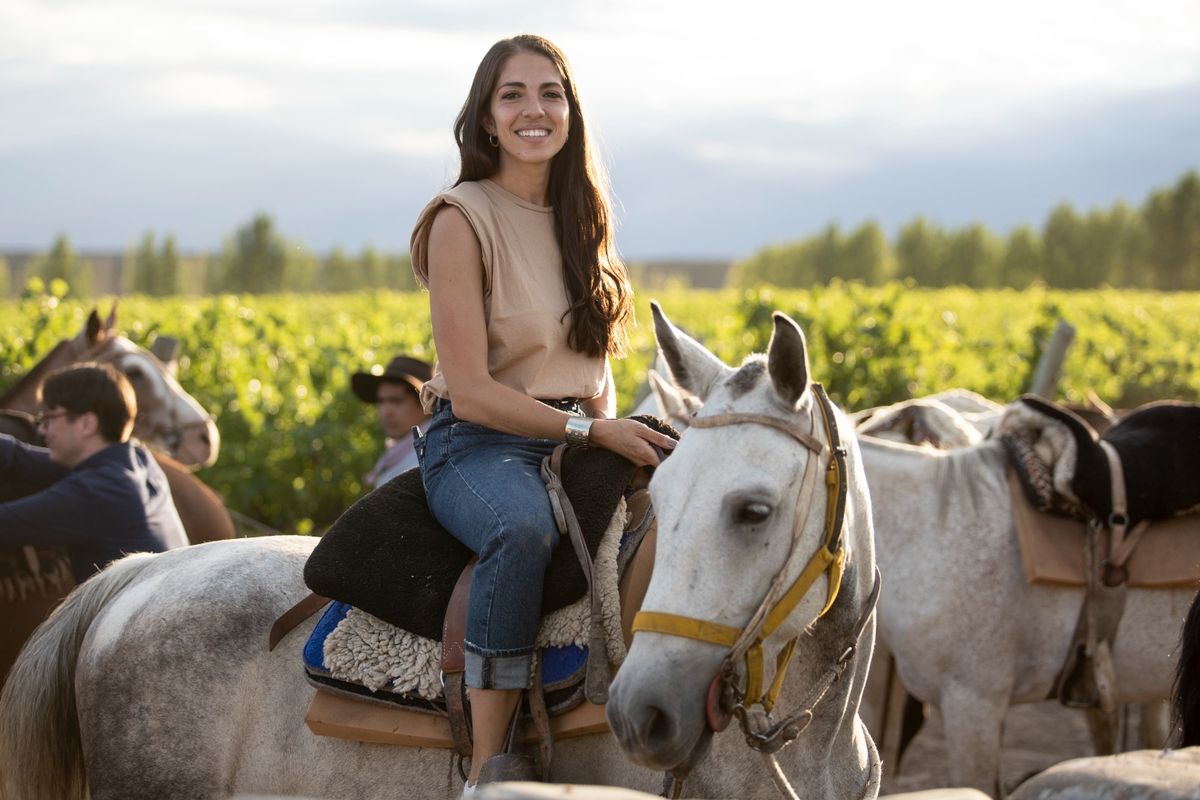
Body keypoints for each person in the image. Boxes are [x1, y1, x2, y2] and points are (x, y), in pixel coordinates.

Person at [410, 34, 676, 792]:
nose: (535, 109)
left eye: (550, 93)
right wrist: (592, 430)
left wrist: (616, 429)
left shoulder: (583, 221)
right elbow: (471, 389)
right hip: (481, 444)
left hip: (575, 435)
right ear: (487, 120)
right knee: (522, 530)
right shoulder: (460, 218)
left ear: (571, 112)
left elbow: (593, 372)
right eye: (513, 94)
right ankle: (491, 766)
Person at [0, 363, 188, 582]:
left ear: (86, 424)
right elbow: (18, 457)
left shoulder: (96, 492)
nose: (42, 429)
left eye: (49, 418)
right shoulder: (137, 460)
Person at [350, 354, 434, 488]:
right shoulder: (400, 454)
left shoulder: (431, 457)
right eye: (381, 401)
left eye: (396, 401)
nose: (386, 411)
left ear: (426, 403)